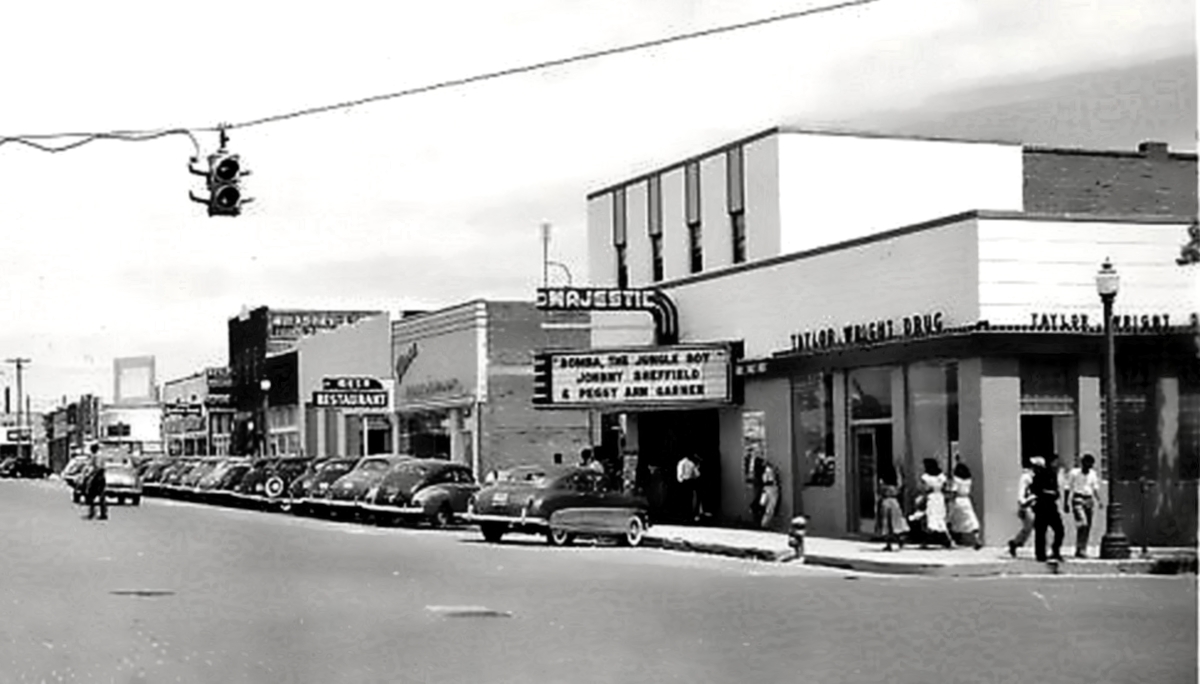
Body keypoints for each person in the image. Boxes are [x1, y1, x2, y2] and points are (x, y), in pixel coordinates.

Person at [1066, 453, 1102, 558]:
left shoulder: (1093, 474)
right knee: (1083, 523)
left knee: (1087, 527)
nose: (1088, 466)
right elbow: (1068, 487)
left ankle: (1081, 548)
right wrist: (1066, 502)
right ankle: (1080, 547)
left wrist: (1099, 500)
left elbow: (1095, 488)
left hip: (1089, 499)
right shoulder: (1074, 473)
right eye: (1086, 463)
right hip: (1078, 498)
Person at [1032, 454, 1065, 562]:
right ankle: (1040, 555)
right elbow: (1036, 490)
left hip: (1051, 507)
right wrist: (1048, 492)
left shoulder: (1053, 475)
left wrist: (1053, 493)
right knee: (1041, 532)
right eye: (1055, 462)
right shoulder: (1040, 475)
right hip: (1041, 506)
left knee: (1059, 530)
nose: (1057, 464)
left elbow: (1056, 492)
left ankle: (1055, 550)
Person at [913, 458, 952, 548]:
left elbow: (925, 489)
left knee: (930, 518)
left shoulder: (926, 477)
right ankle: (946, 539)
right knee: (940, 519)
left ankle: (927, 540)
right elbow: (945, 487)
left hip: (931, 497)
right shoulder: (941, 477)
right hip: (940, 497)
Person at [1007, 458, 1039, 558]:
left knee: (1032, 527)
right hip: (1027, 504)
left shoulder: (1037, 476)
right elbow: (1022, 491)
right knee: (1029, 526)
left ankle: (1018, 542)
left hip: (1035, 504)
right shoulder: (1026, 477)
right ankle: (1016, 542)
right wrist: (1022, 502)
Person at [948, 462, 983, 550]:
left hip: (958, 500)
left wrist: (949, 499)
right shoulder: (968, 480)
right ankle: (976, 539)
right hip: (966, 500)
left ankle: (953, 539)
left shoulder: (956, 480)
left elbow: (954, 491)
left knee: (953, 520)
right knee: (971, 519)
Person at [877, 460, 908, 551]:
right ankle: (900, 541)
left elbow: (880, 492)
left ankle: (888, 544)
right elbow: (901, 486)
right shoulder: (896, 484)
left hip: (886, 502)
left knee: (886, 524)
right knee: (897, 523)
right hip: (895, 503)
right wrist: (899, 472)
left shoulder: (882, 483)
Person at [83, 445, 108, 521]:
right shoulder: (102, 456)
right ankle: (103, 513)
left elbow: (96, 467)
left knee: (90, 494)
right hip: (102, 477)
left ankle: (92, 513)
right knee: (101, 495)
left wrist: (89, 475)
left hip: (96, 477)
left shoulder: (95, 456)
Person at [676, 454, 701, 522]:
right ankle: (690, 515)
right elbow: (697, 474)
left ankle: (684, 515)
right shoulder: (691, 463)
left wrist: (680, 480)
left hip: (683, 482)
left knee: (684, 499)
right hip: (690, 482)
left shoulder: (681, 462)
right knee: (690, 499)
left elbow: (679, 475)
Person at [759, 458, 780, 529]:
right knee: (769, 508)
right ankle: (764, 524)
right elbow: (768, 480)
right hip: (770, 488)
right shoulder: (767, 470)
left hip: (767, 488)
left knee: (766, 507)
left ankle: (765, 524)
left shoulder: (766, 471)